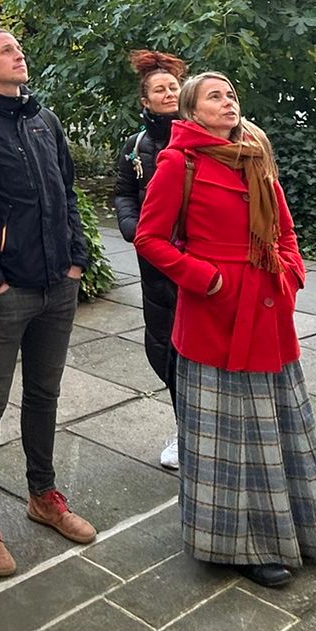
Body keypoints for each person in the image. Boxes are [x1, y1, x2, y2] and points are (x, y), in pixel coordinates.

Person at [134, 70, 316, 589]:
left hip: (269, 311)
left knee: (277, 426)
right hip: (216, 316)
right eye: (214, 96)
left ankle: (294, 528)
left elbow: (285, 229)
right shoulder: (178, 162)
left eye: (231, 94)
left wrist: (291, 274)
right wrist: (207, 280)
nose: (228, 102)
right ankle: (236, 545)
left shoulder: (255, 152)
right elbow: (149, 238)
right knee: (228, 438)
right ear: (191, 111)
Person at [0, 28, 98, 577]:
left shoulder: (44, 121)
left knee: (45, 394)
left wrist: (77, 258)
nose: (18, 54)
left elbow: (67, 192)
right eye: (6, 50)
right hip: (5, 294)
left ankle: (42, 495)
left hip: (59, 286)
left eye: (18, 48)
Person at [113, 50, 188, 471]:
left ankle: (214, 428)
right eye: (159, 89)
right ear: (145, 101)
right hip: (155, 260)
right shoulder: (136, 146)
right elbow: (124, 191)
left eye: (173, 87)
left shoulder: (200, 135)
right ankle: (184, 429)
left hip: (198, 257)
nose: (168, 93)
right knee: (164, 345)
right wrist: (132, 226)